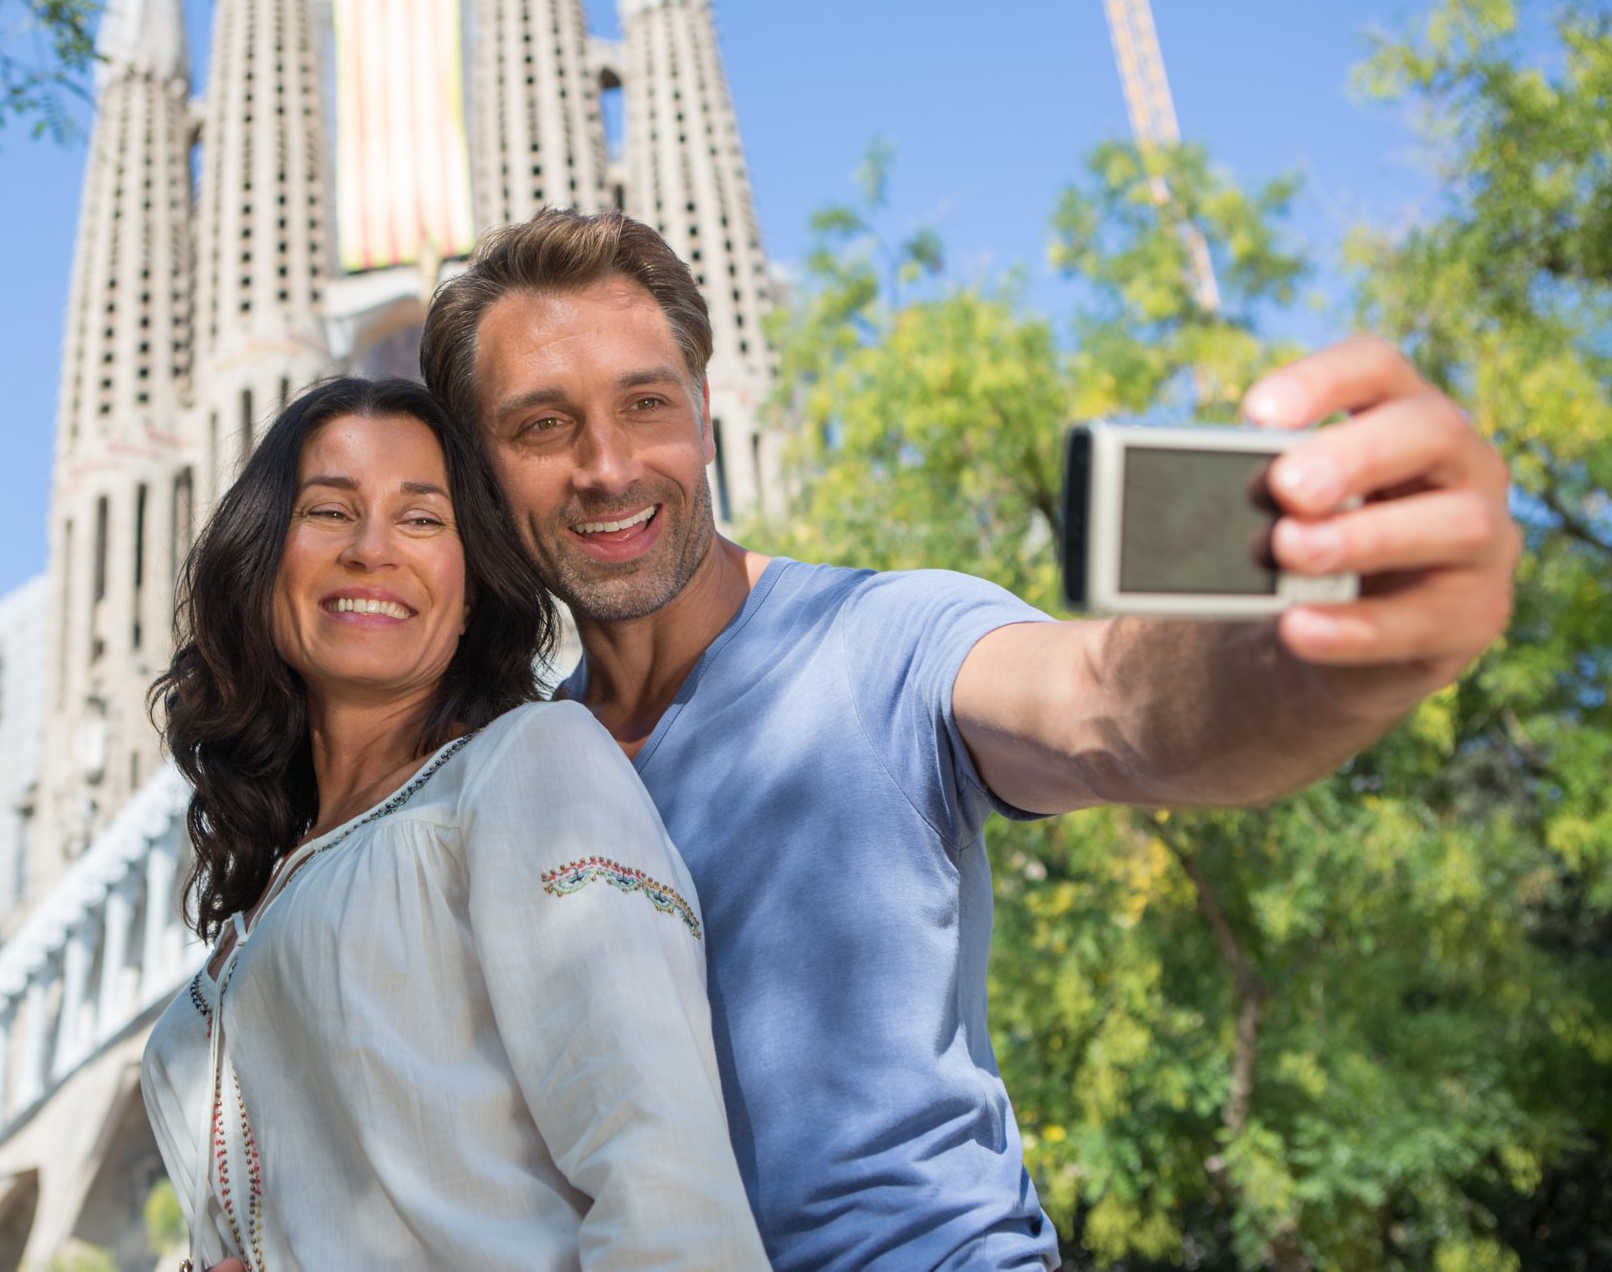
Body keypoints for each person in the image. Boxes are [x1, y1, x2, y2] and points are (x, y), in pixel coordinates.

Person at [419, 210, 1520, 1270]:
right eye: (541, 425)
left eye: (644, 403)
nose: (606, 465)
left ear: (704, 413)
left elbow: (1108, 705)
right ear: (481, 470)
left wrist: (1330, 657)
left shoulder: (880, 637)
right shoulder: (515, 771)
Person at [139, 378, 767, 1269]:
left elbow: (664, 1179)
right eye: (328, 510)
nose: (371, 550)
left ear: (469, 589)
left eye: (423, 520)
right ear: (263, 560)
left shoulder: (530, 765)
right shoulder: (272, 890)